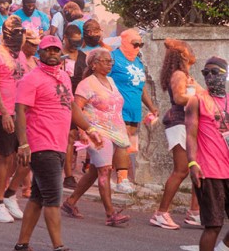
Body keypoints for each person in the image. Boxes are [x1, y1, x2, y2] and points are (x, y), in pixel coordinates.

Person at [10, 35, 102, 251]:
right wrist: (23, 144)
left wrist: (90, 129)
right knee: (53, 197)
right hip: (42, 145)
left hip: (59, 145)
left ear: (60, 53)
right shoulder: (31, 79)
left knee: (38, 197)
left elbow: (71, 108)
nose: (52, 53)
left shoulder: (63, 77)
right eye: (47, 50)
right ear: (39, 53)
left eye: (55, 50)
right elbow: (20, 112)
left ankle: (21, 247)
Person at [61, 48, 131, 226]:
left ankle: (70, 202)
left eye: (110, 61)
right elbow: (76, 109)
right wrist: (83, 132)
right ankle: (110, 213)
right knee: (105, 170)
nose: (109, 64)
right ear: (93, 64)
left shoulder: (111, 81)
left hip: (115, 132)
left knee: (95, 171)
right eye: (105, 61)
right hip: (97, 132)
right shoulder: (86, 84)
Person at [185, 56, 229, 251]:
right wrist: (192, 163)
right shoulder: (197, 101)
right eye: (206, 73)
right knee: (213, 224)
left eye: (215, 72)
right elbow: (190, 134)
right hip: (209, 169)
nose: (210, 77)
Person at [0, 16, 31, 223]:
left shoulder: (20, 55)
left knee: (26, 156)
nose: (19, 38)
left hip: (22, 112)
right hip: (3, 113)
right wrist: (4, 113)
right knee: (6, 157)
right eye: (15, 33)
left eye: (21, 33)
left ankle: (10, 194)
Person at [150, 39, 201, 229]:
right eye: (189, 48)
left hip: (188, 123)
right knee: (181, 170)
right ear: (183, 55)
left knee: (197, 167)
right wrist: (199, 98)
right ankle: (161, 213)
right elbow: (179, 98)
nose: (193, 50)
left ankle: (195, 212)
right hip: (179, 122)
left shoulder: (185, 74)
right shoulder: (179, 74)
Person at [109, 28, 159, 191]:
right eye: (135, 44)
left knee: (126, 144)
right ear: (124, 42)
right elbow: (102, 79)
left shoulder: (137, 61)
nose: (138, 47)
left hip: (134, 110)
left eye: (140, 44)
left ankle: (112, 176)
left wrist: (151, 106)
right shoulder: (113, 58)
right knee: (122, 143)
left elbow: (141, 87)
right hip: (119, 109)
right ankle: (121, 179)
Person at [61, 24, 87, 189]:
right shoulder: (57, 55)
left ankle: (70, 173)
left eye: (78, 42)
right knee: (67, 137)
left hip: (78, 101)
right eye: (73, 42)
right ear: (65, 38)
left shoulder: (83, 57)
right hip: (59, 100)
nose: (75, 46)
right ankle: (67, 175)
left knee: (74, 136)